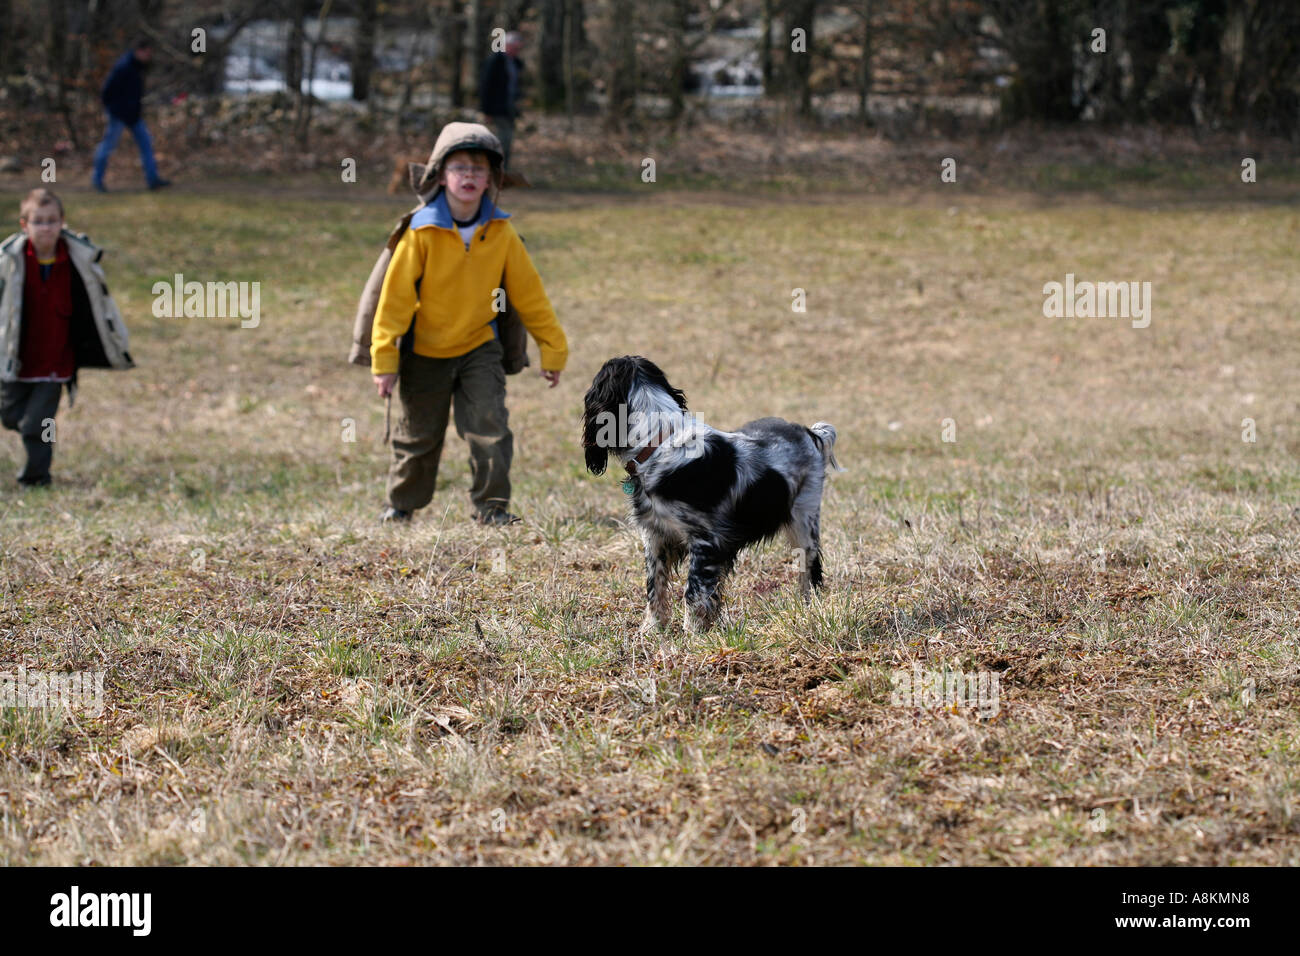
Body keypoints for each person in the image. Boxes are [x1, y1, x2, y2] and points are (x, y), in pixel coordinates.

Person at [370, 122, 567, 525]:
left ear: (492, 179)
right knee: (418, 437)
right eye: (460, 167)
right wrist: (385, 361)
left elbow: (530, 296)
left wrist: (553, 348)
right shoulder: (420, 231)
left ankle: (492, 508)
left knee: (490, 430)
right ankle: (401, 506)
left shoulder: (501, 232)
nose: (470, 176)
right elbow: (394, 302)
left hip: (480, 347)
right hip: (424, 351)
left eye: (479, 169)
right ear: (441, 175)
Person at [0, 189, 135, 486]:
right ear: (25, 225)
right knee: (10, 416)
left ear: (62, 222)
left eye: (51, 221)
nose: (45, 227)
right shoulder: (9, 263)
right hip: (16, 361)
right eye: (38, 221)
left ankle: (36, 478)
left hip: (55, 363)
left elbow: (100, 305)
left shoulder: (78, 263)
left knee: (38, 424)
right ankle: (26, 433)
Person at [92, 38, 171, 192]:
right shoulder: (123, 67)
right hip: (119, 115)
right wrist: (114, 110)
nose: (149, 56)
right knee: (108, 146)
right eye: (147, 53)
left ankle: (153, 179)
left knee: (147, 144)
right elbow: (106, 92)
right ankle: (97, 179)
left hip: (134, 116)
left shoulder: (138, 67)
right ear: (138, 51)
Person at [478, 32, 524, 170]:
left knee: (507, 141)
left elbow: (515, 86)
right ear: (506, 46)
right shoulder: (494, 61)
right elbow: (486, 86)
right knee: (501, 141)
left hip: (509, 108)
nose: (517, 52)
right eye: (514, 48)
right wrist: (486, 110)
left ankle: (503, 170)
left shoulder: (515, 63)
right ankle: (495, 169)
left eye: (518, 49)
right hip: (496, 108)